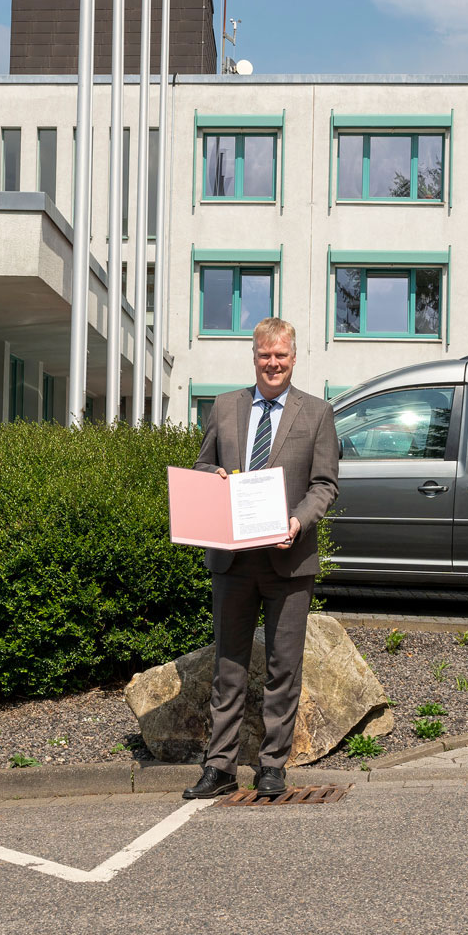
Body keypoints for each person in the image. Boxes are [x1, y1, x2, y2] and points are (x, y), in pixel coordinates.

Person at [183, 318, 340, 800]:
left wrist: (297, 522)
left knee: (283, 667)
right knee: (227, 665)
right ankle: (220, 766)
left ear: (294, 358)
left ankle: (272, 765)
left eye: (281, 356)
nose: (273, 363)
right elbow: (202, 465)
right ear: (254, 357)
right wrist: (214, 477)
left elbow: (325, 484)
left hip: (288, 560)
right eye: (265, 355)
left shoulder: (317, 413)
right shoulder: (225, 406)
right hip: (231, 559)